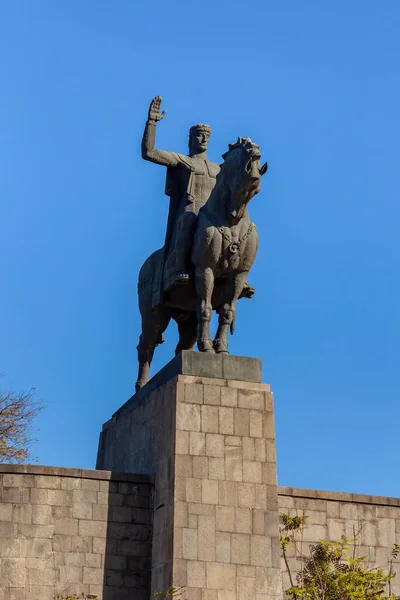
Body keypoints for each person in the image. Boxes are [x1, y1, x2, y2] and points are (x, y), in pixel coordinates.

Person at [141, 96, 220, 287]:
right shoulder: (183, 161)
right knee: (187, 220)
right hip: (191, 210)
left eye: (207, 136)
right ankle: (177, 268)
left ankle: (237, 274)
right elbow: (149, 153)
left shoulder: (219, 169)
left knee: (241, 229)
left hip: (214, 216)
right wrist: (152, 122)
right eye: (199, 135)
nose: (204, 139)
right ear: (191, 140)